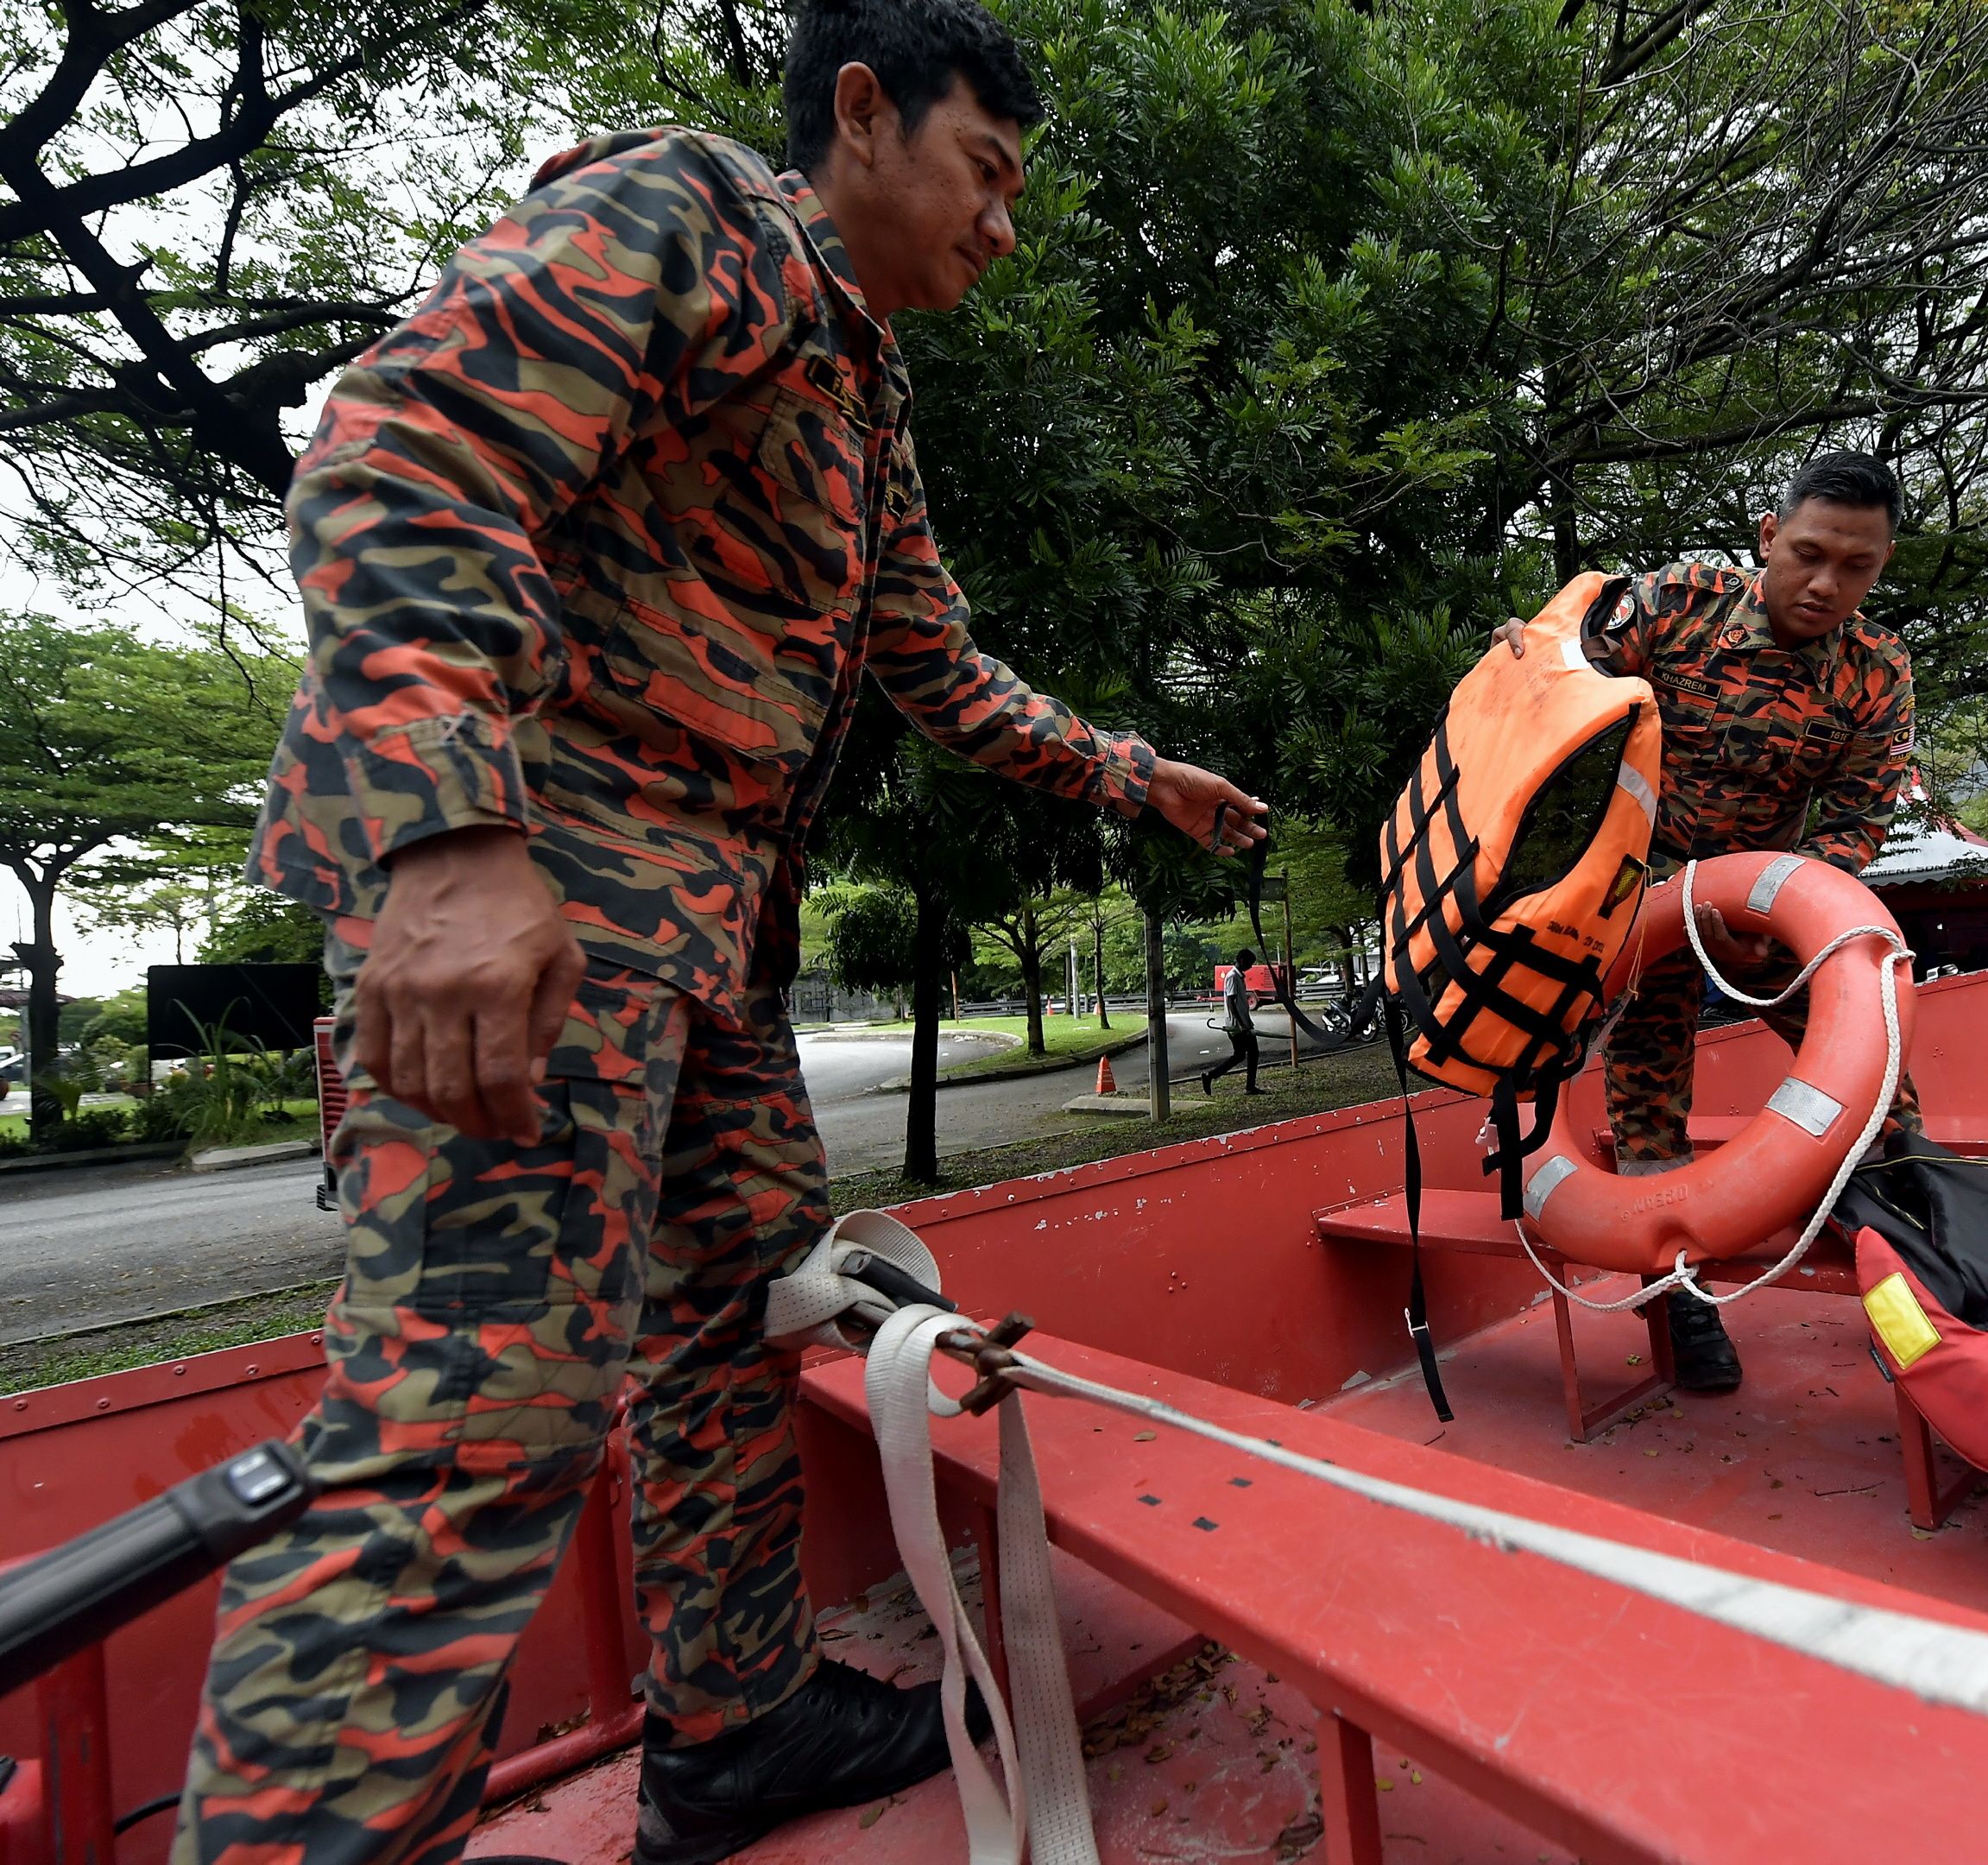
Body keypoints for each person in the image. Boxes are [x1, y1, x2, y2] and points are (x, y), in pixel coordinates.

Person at [174, 5, 1265, 1863]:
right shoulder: (693, 215)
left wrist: (1128, 773)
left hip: (713, 950)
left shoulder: (864, 393)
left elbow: (931, 660)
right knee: (467, 1429)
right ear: (860, 108)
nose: (1005, 228)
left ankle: (734, 1719)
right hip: (542, 897)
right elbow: (409, 438)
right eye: (986, 174)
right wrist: (443, 834)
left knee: (733, 1330)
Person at [1495, 452, 1917, 1395]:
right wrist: (1525, 669)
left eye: (1858, 567)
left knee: (1880, 1083)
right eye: (1808, 553)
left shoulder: (1875, 674)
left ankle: (1922, 1285)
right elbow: (1562, 700)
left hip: (1768, 909)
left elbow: (1857, 821)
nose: (1825, 584)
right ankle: (1680, 1300)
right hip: (1638, 902)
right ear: (1768, 537)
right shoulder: (1670, 605)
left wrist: (1774, 915)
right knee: (1648, 1103)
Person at [1200, 946, 1266, 1095]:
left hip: (1244, 1023)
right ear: (1242, 961)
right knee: (1251, 1053)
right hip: (1237, 1026)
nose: (1251, 967)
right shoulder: (1232, 977)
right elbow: (1231, 1002)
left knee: (1241, 1055)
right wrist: (1242, 1025)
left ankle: (1211, 1076)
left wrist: (1247, 1022)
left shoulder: (1239, 976)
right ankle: (1248, 1086)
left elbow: (1240, 1003)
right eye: (1249, 963)